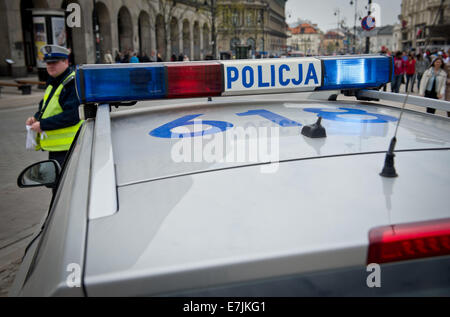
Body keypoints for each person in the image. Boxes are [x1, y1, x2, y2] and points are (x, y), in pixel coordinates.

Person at [25, 45, 83, 167]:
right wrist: (36, 118)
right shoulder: (55, 81)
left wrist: (43, 125)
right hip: (59, 148)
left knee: (64, 185)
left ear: (66, 61)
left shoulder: (71, 82)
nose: (50, 66)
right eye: (48, 63)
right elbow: (45, 105)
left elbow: (72, 115)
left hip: (70, 147)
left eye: (54, 62)